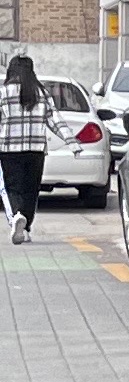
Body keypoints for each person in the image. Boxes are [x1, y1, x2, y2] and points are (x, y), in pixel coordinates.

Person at [0, 55, 48, 242]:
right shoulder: (41, 93)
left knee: (13, 187)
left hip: (9, 149)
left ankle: (17, 216)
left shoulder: (3, 92)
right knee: (31, 189)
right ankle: (26, 227)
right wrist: (73, 143)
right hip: (36, 149)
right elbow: (54, 120)